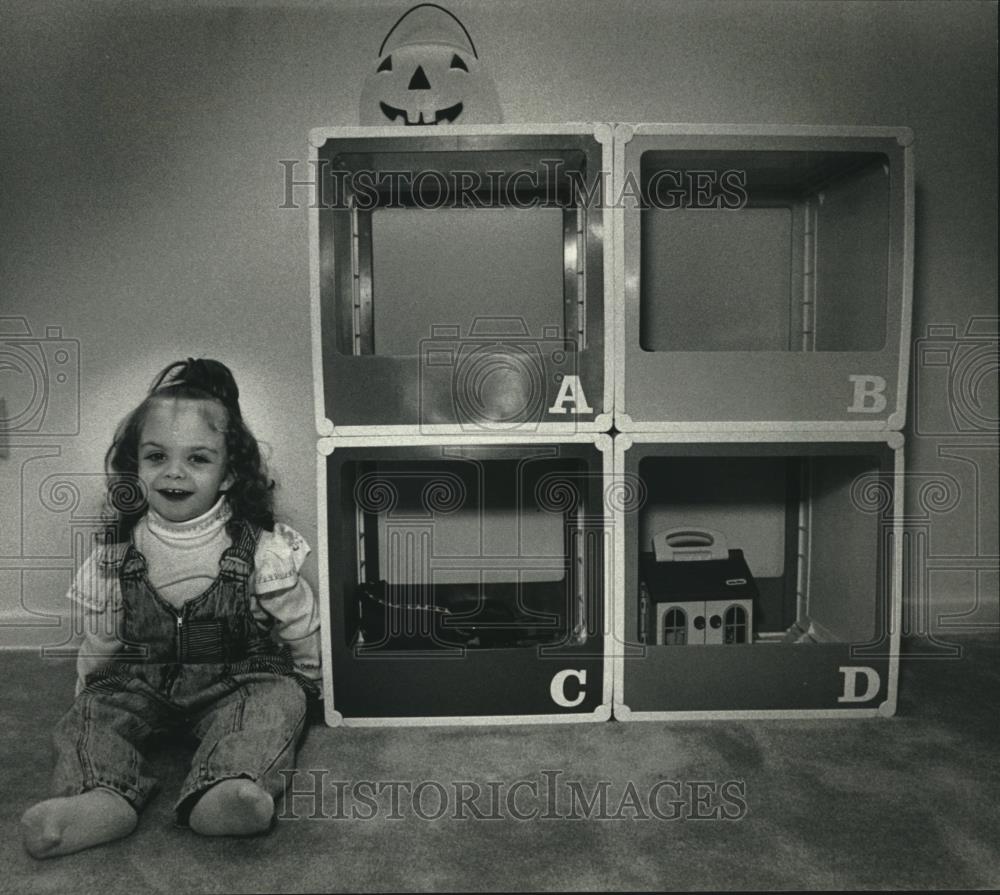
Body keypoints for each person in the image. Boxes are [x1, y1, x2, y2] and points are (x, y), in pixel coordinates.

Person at [21, 358, 321, 858]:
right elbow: (102, 631)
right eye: (156, 456)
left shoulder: (261, 548)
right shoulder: (119, 552)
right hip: (142, 681)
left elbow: (297, 616)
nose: (174, 472)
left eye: (198, 459)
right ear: (135, 467)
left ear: (229, 475)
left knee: (275, 706)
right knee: (88, 719)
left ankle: (227, 790)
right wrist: (87, 689)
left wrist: (309, 679)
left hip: (236, 679)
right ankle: (101, 796)